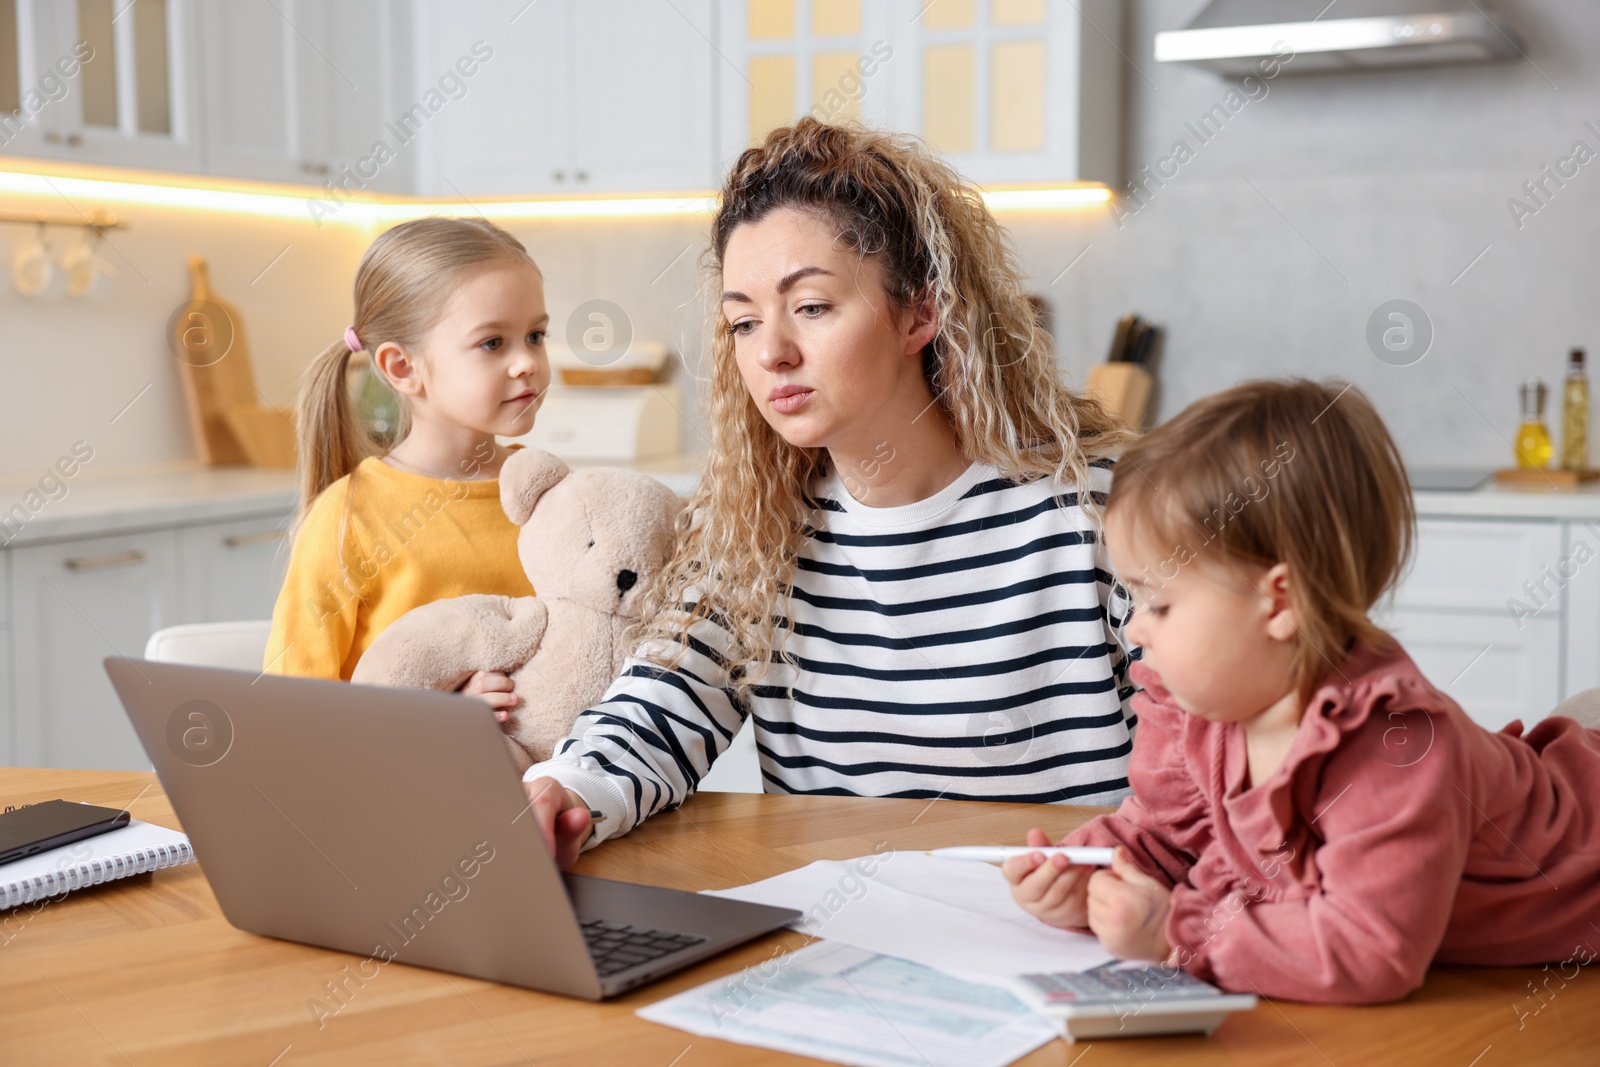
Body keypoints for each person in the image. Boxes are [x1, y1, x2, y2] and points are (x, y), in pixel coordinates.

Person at [522, 119, 1139, 866]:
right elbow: (663, 700)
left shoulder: (1102, 511)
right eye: (743, 322)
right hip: (844, 941)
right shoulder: (758, 530)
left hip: (1067, 933)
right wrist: (570, 786)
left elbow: (1204, 764)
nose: (772, 353)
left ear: (921, 311)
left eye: (811, 307)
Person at [1003, 378, 1600, 1004]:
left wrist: (1173, 934)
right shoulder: (1194, 705)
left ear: (1279, 602)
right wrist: (1083, 875)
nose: (1135, 627)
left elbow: (1368, 951)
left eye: (1160, 602)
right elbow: (1158, 840)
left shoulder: (1389, 744)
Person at [264, 216, 548, 716]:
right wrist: (441, 711)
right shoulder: (349, 518)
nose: (526, 361)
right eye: (492, 343)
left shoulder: (548, 494)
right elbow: (291, 707)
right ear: (403, 368)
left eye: (536, 336)